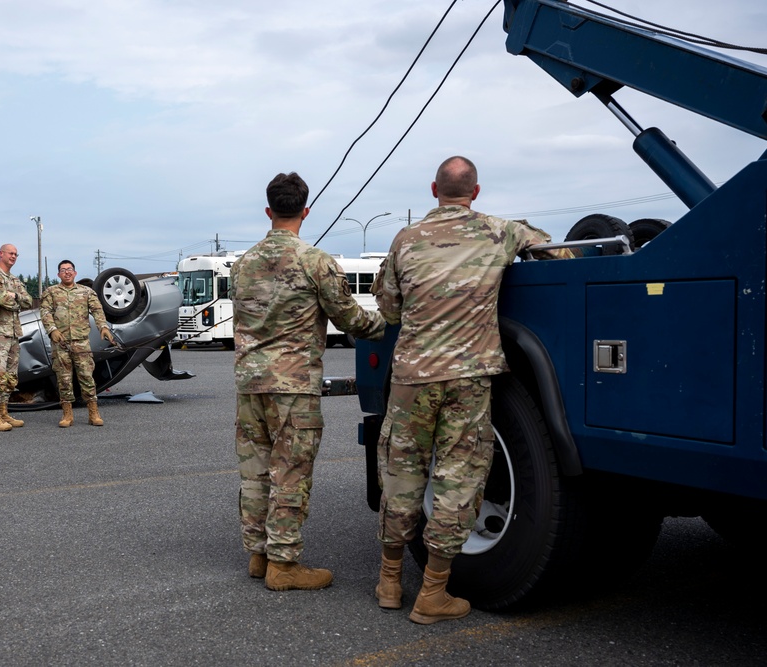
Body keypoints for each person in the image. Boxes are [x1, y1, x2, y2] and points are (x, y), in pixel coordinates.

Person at [372, 156, 568, 623]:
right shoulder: (501, 231)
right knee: (458, 477)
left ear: (432, 190)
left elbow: (388, 307)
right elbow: (559, 254)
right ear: (475, 193)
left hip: (411, 379)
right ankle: (433, 594)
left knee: (401, 474)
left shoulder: (405, 239)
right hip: (467, 377)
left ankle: (389, 581)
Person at [231, 172, 386, 591]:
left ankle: (258, 555)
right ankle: (284, 564)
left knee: (256, 472)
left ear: (268, 211)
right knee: (291, 473)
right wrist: (389, 323)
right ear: (306, 210)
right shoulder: (315, 260)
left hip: (250, 384)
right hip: (293, 386)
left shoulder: (243, 263)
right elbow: (350, 318)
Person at [39, 260, 116, 427]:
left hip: (81, 343)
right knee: (64, 379)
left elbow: (97, 310)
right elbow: (45, 312)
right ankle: (67, 414)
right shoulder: (51, 292)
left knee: (87, 377)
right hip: (61, 344)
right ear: (58, 274)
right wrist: (52, 330)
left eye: (70, 269)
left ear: (75, 273)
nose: (67, 272)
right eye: (63, 270)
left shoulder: (86, 292)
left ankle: (93, 412)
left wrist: (103, 327)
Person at [0, 243, 33, 432]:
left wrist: (15, 296)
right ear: (1, 254)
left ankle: (3, 413)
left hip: (12, 334)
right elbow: (1, 299)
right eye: (10, 253)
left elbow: (28, 300)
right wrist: (13, 298)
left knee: (10, 376)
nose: (13, 256)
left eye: (16, 254)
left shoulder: (14, 279)